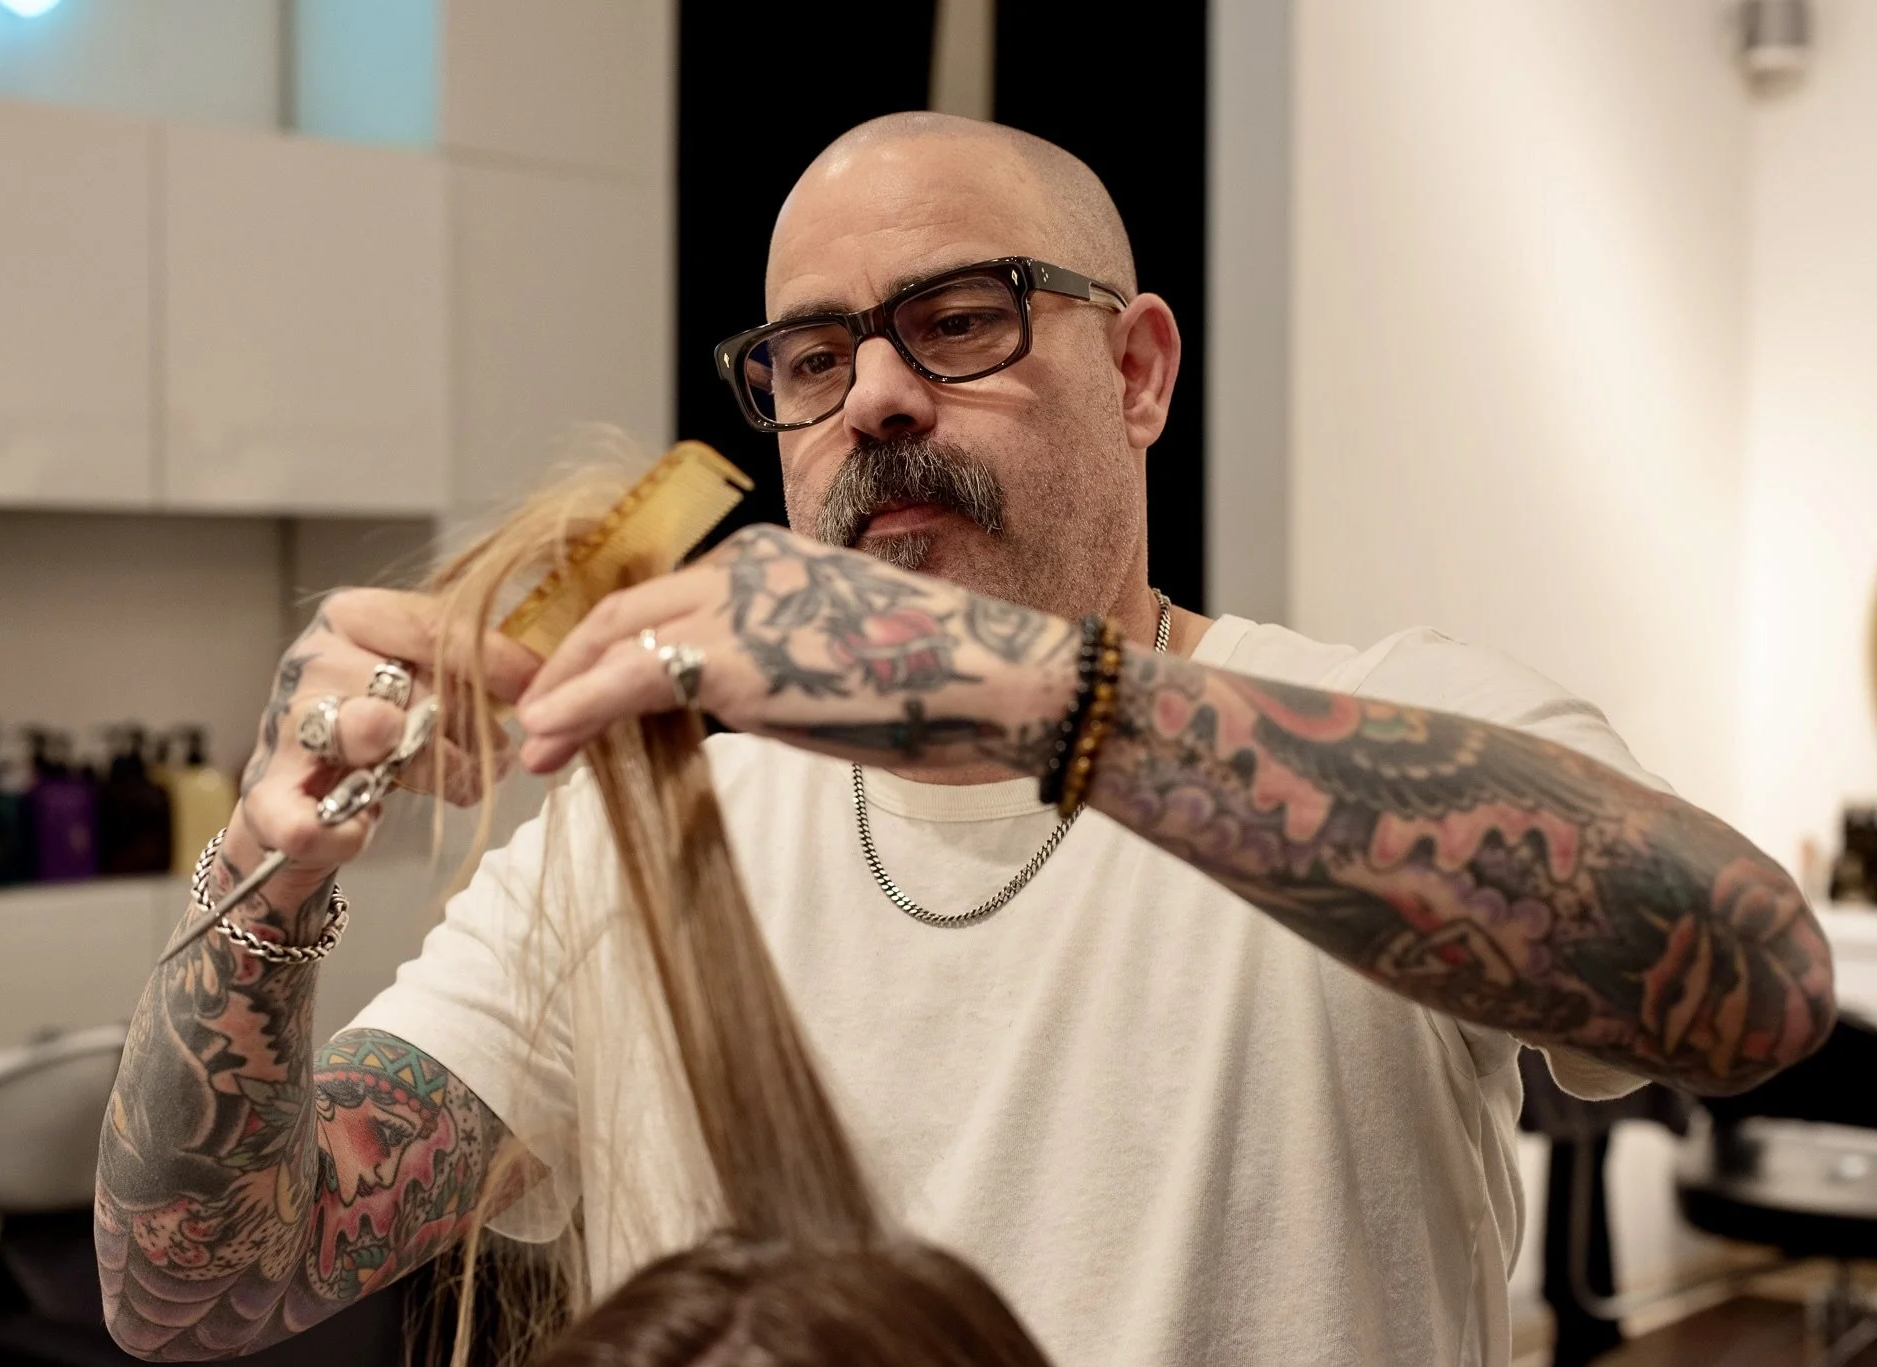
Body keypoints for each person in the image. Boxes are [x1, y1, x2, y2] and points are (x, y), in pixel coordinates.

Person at [96, 113, 1835, 1366]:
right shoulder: (639, 839)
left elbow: (1755, 987)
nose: (875, 394)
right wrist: (263, 873)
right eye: (811, 357)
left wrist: (1027, 693)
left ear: (1139, 371)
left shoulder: (1405, 725)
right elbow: (197, 1285)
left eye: (960, 319)